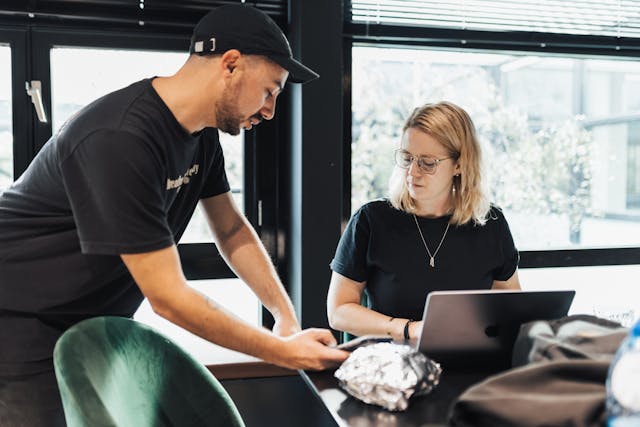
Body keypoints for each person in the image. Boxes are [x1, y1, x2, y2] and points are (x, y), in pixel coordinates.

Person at [0, 5, 348, 426]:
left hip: (89, 321)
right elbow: (167, 297)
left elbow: (232, 229)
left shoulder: (199, 138)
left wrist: (285, 318)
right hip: (18, 322)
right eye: (270, 90)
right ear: (231, 65)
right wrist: (283, 352)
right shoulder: (121, 138)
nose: (270, 110)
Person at [327, 101, 521, 343]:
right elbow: (339, 311)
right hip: (391, 365)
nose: (412, 172)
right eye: (408, 158)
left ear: (459, 164)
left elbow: (512, 310)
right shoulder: (371, 220)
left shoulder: (491, 224)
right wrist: (408, 329)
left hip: (467, 362)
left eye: (427, 163)